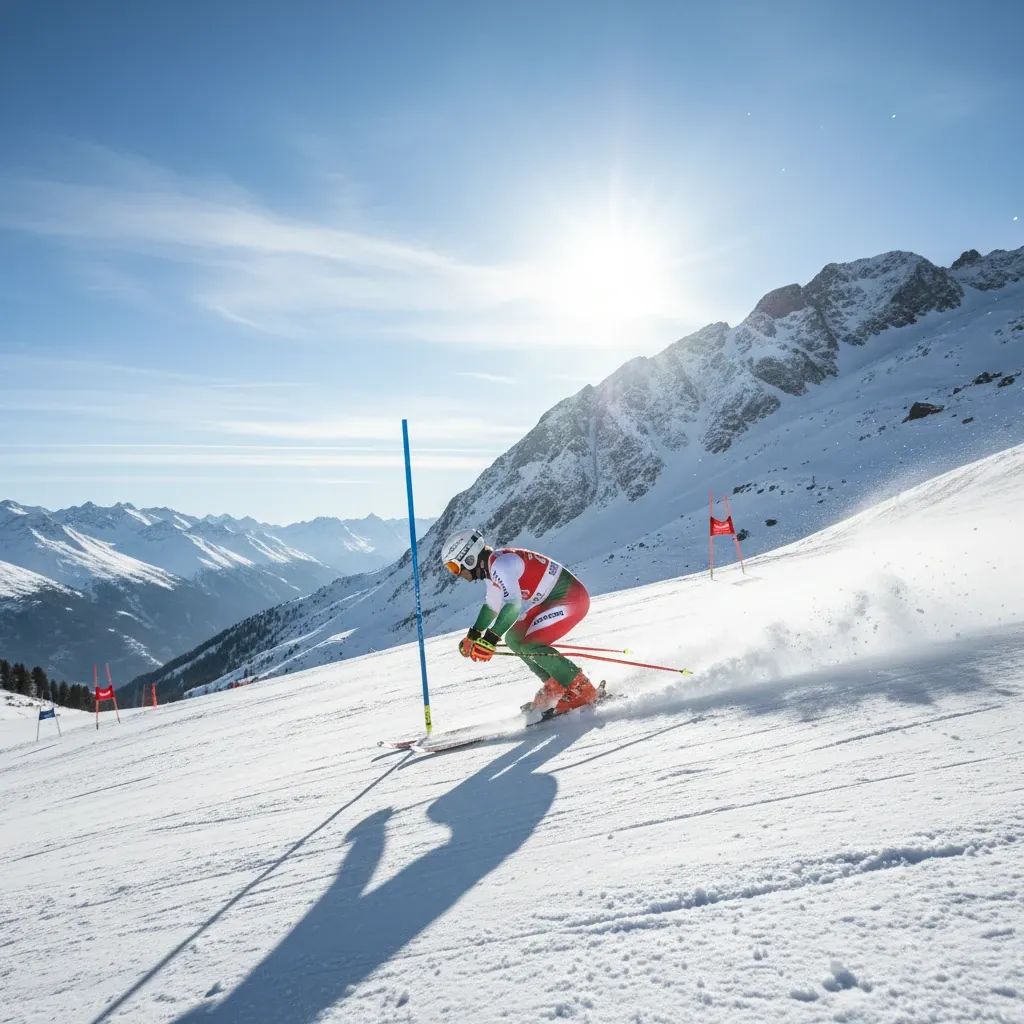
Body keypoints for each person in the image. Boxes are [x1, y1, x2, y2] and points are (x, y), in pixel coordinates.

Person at [440, 528, 600, 717]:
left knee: (532, 644)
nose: (457, 574)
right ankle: (554, 685)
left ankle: (583, 690)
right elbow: (492, 607)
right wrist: (473, 636)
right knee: (514, 638)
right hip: (551, 601)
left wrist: (490, 639)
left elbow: (513, 606)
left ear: (469, 558)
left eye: (455, 567)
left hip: (571, 599)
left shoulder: (500, 565)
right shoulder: (492, 569)